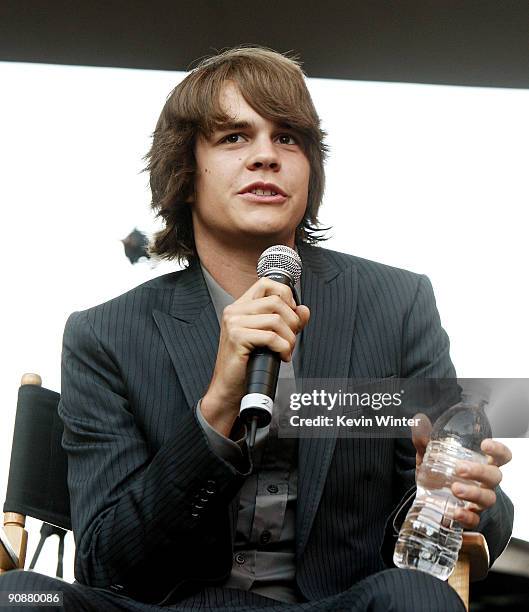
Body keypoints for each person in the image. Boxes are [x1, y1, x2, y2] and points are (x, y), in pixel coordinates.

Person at [0, 46, 514, 611]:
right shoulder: (105, 336)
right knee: (18, 596)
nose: (266, 156)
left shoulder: (396, 304)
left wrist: (457, 495)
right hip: (173, 608)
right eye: (234, 138)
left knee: (418, 599)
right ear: (185, 173)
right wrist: (216, 411)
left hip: (342, 605)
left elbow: (472, 511)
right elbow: (110, 565)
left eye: (287, 138)